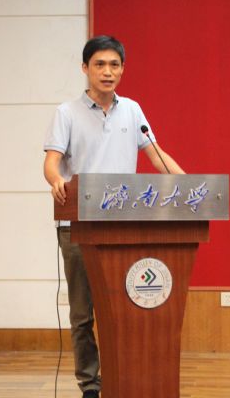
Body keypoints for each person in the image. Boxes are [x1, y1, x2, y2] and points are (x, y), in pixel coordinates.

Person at [43, 35, 184, 398]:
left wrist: (187, 184)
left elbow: (156, 155)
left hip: (123, 228)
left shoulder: (133, 111)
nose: (107, 72)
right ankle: (90, 386)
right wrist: (56, 180)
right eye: (100, 65)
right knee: (82, 314)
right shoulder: (66, 113)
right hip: (77, 226)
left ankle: (125, 379)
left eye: (114, 65)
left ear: (122, 69)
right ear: (85, 68)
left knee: (125, 310)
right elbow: (51, 162)